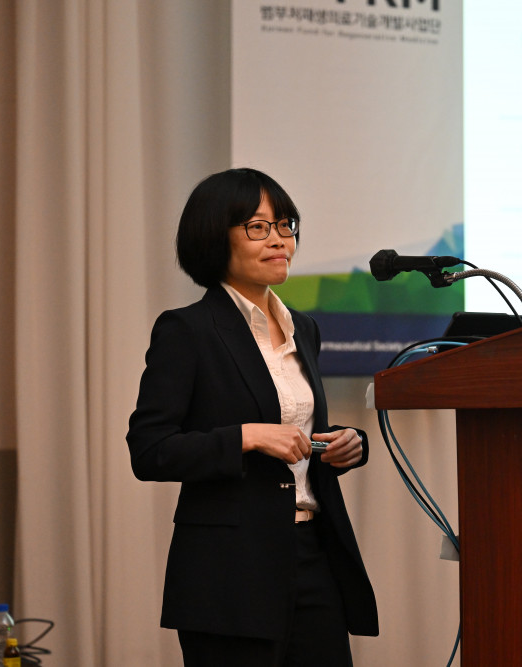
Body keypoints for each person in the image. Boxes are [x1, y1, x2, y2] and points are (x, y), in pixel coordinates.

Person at [127, 168, 378, 666]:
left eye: (285, 225)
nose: (279, 240)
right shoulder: (187, 330)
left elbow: (299, 428)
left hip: (313, 553)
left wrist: (346, 442)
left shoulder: (304, 328)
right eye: (258, 227)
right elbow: (149, 450)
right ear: (214, 237)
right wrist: (246, 437)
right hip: (230, 574)